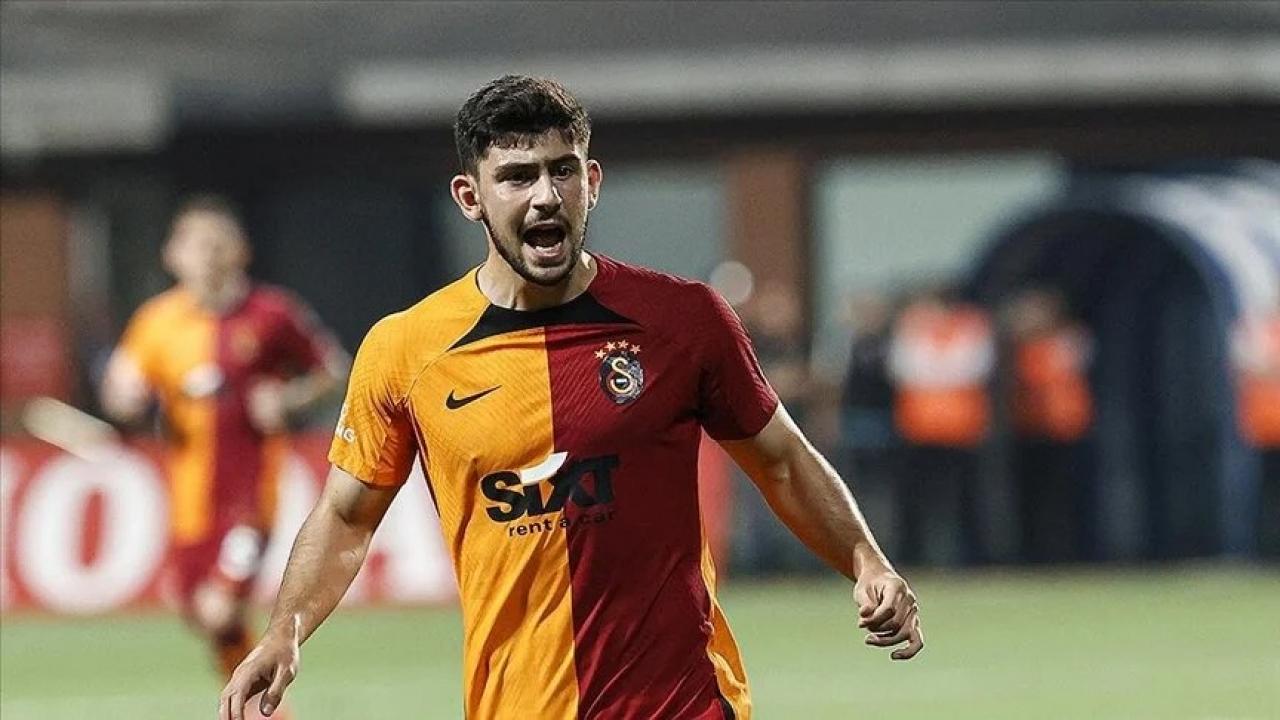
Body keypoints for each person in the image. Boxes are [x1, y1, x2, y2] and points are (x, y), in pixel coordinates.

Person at [219, 75, 922, 720]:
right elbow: (347, 515)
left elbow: (783, 461)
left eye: (562, 170)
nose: (545, 196)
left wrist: (866, 559)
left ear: (592, 181)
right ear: (470, 197)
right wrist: (284, 631)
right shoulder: (406, 349)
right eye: (517, 176)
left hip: (682, 703)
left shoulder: (683, 320)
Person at [100, 194, 346, 718]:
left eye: (217, 245)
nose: (206, 257)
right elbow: (121, 385)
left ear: (240, 252)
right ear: (172, 256)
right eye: (194, 246)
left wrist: (288, 400)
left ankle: (264, 709)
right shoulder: (157, 321)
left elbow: (332, 369)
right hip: (190, 502)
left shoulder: (272, 314)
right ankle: (259, 707)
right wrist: (126, 398)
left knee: (219, 607)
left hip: (250, 498)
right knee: (199, 610)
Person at [888, 287, 993, 566]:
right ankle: (912, 557)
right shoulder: (910, 329)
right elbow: (902, 369)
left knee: (966, 499)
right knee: (914, 499)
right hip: (918, 429)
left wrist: (934, 369)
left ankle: (971, 558)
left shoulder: (969, 327)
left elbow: (970, 369)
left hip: (962, 430)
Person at [1006, 287, 1096, 563]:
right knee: (1033, 497)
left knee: (1066, 497)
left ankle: (1069, 551)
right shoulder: (1021, 348)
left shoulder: (1068, 341)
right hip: (1032, 428)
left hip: (1065, 429)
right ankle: (1036, 552)